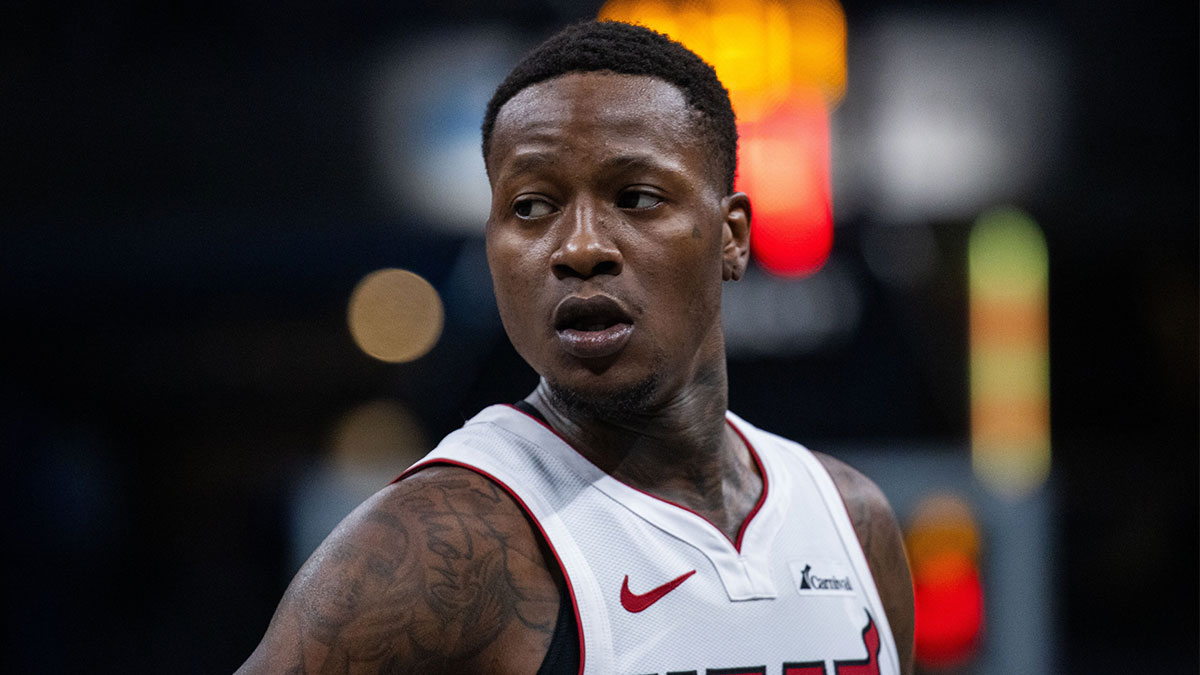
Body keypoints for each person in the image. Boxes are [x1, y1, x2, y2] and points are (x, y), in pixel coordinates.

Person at [239, 20, 914, 675]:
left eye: (636, 197)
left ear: (732, 237)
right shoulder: (443, 542)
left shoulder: (852, 520)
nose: (581, 247)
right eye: (532, 207)